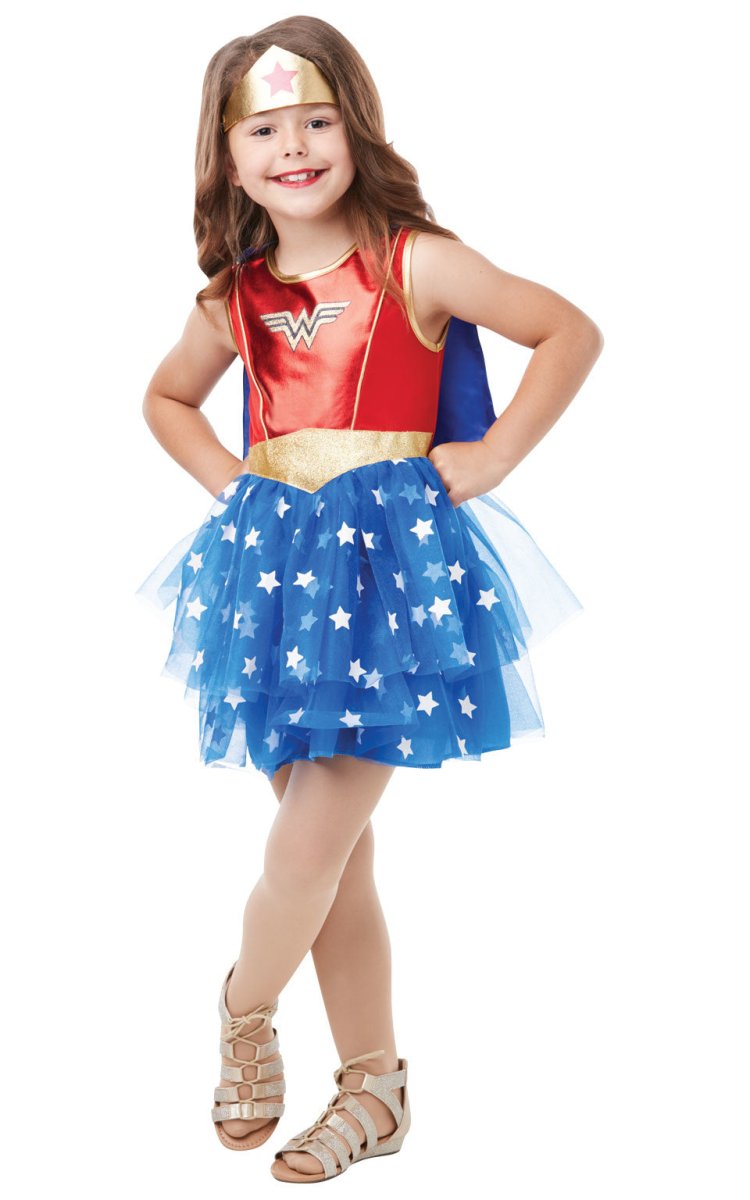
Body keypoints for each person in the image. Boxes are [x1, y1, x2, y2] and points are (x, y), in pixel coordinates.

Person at [135, 14, 603, 1184]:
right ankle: (376, 1090)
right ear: (228, 156)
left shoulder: (414, 262)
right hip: (277, 586)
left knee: (308, 845)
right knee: (339, 856)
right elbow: (167, 400)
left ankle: (244, 1010)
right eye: (263, 130)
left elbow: (566, 330)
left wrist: (491, 456)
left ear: (357, 129)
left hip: (388, 588)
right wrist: (233, 485)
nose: (293, 147)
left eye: (316, 121)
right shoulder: (234, 298)